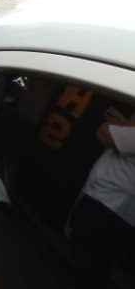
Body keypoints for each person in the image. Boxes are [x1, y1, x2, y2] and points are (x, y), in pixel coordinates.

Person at [68, 106, 135, 289]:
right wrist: (124, 126)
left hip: (110, 204)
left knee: (90, 263)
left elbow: (105, 134)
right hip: (113, 205)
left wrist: (121, 127)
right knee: (97, 263)